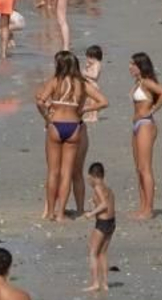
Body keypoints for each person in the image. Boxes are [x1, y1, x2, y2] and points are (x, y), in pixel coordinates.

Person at [34, 50, 107, 221]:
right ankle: (60, 214)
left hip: (56, 125)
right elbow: (104, 101)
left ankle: (50, 211)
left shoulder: (55, 82)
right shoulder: (81, 84)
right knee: (67, 173)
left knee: (53, 172)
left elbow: (39, 100)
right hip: (74, 126)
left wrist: (46, 116)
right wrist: (83, 109)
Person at [127, 52, 162, 220]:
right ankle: (142, 206)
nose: (130, 67)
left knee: (145, 167)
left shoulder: (146, 82)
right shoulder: (138, 82)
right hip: (137, 125)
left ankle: (149, 209)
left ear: (141, 66)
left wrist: (153, 110)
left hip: (145, 123)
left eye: (133, 65)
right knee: (138, 167)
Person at [81, 162, 116, 292]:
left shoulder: (97, 187)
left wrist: (91, 214)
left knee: (93, 252)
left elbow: (104, 205)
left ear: (93, 176)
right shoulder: (108, 189)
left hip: (102, 223)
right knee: (103, 253)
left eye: (89, 177)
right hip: (112, 223)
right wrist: (93, 204)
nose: (88, 180)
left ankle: (96, 283)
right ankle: (105, 284)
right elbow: (108, 204)